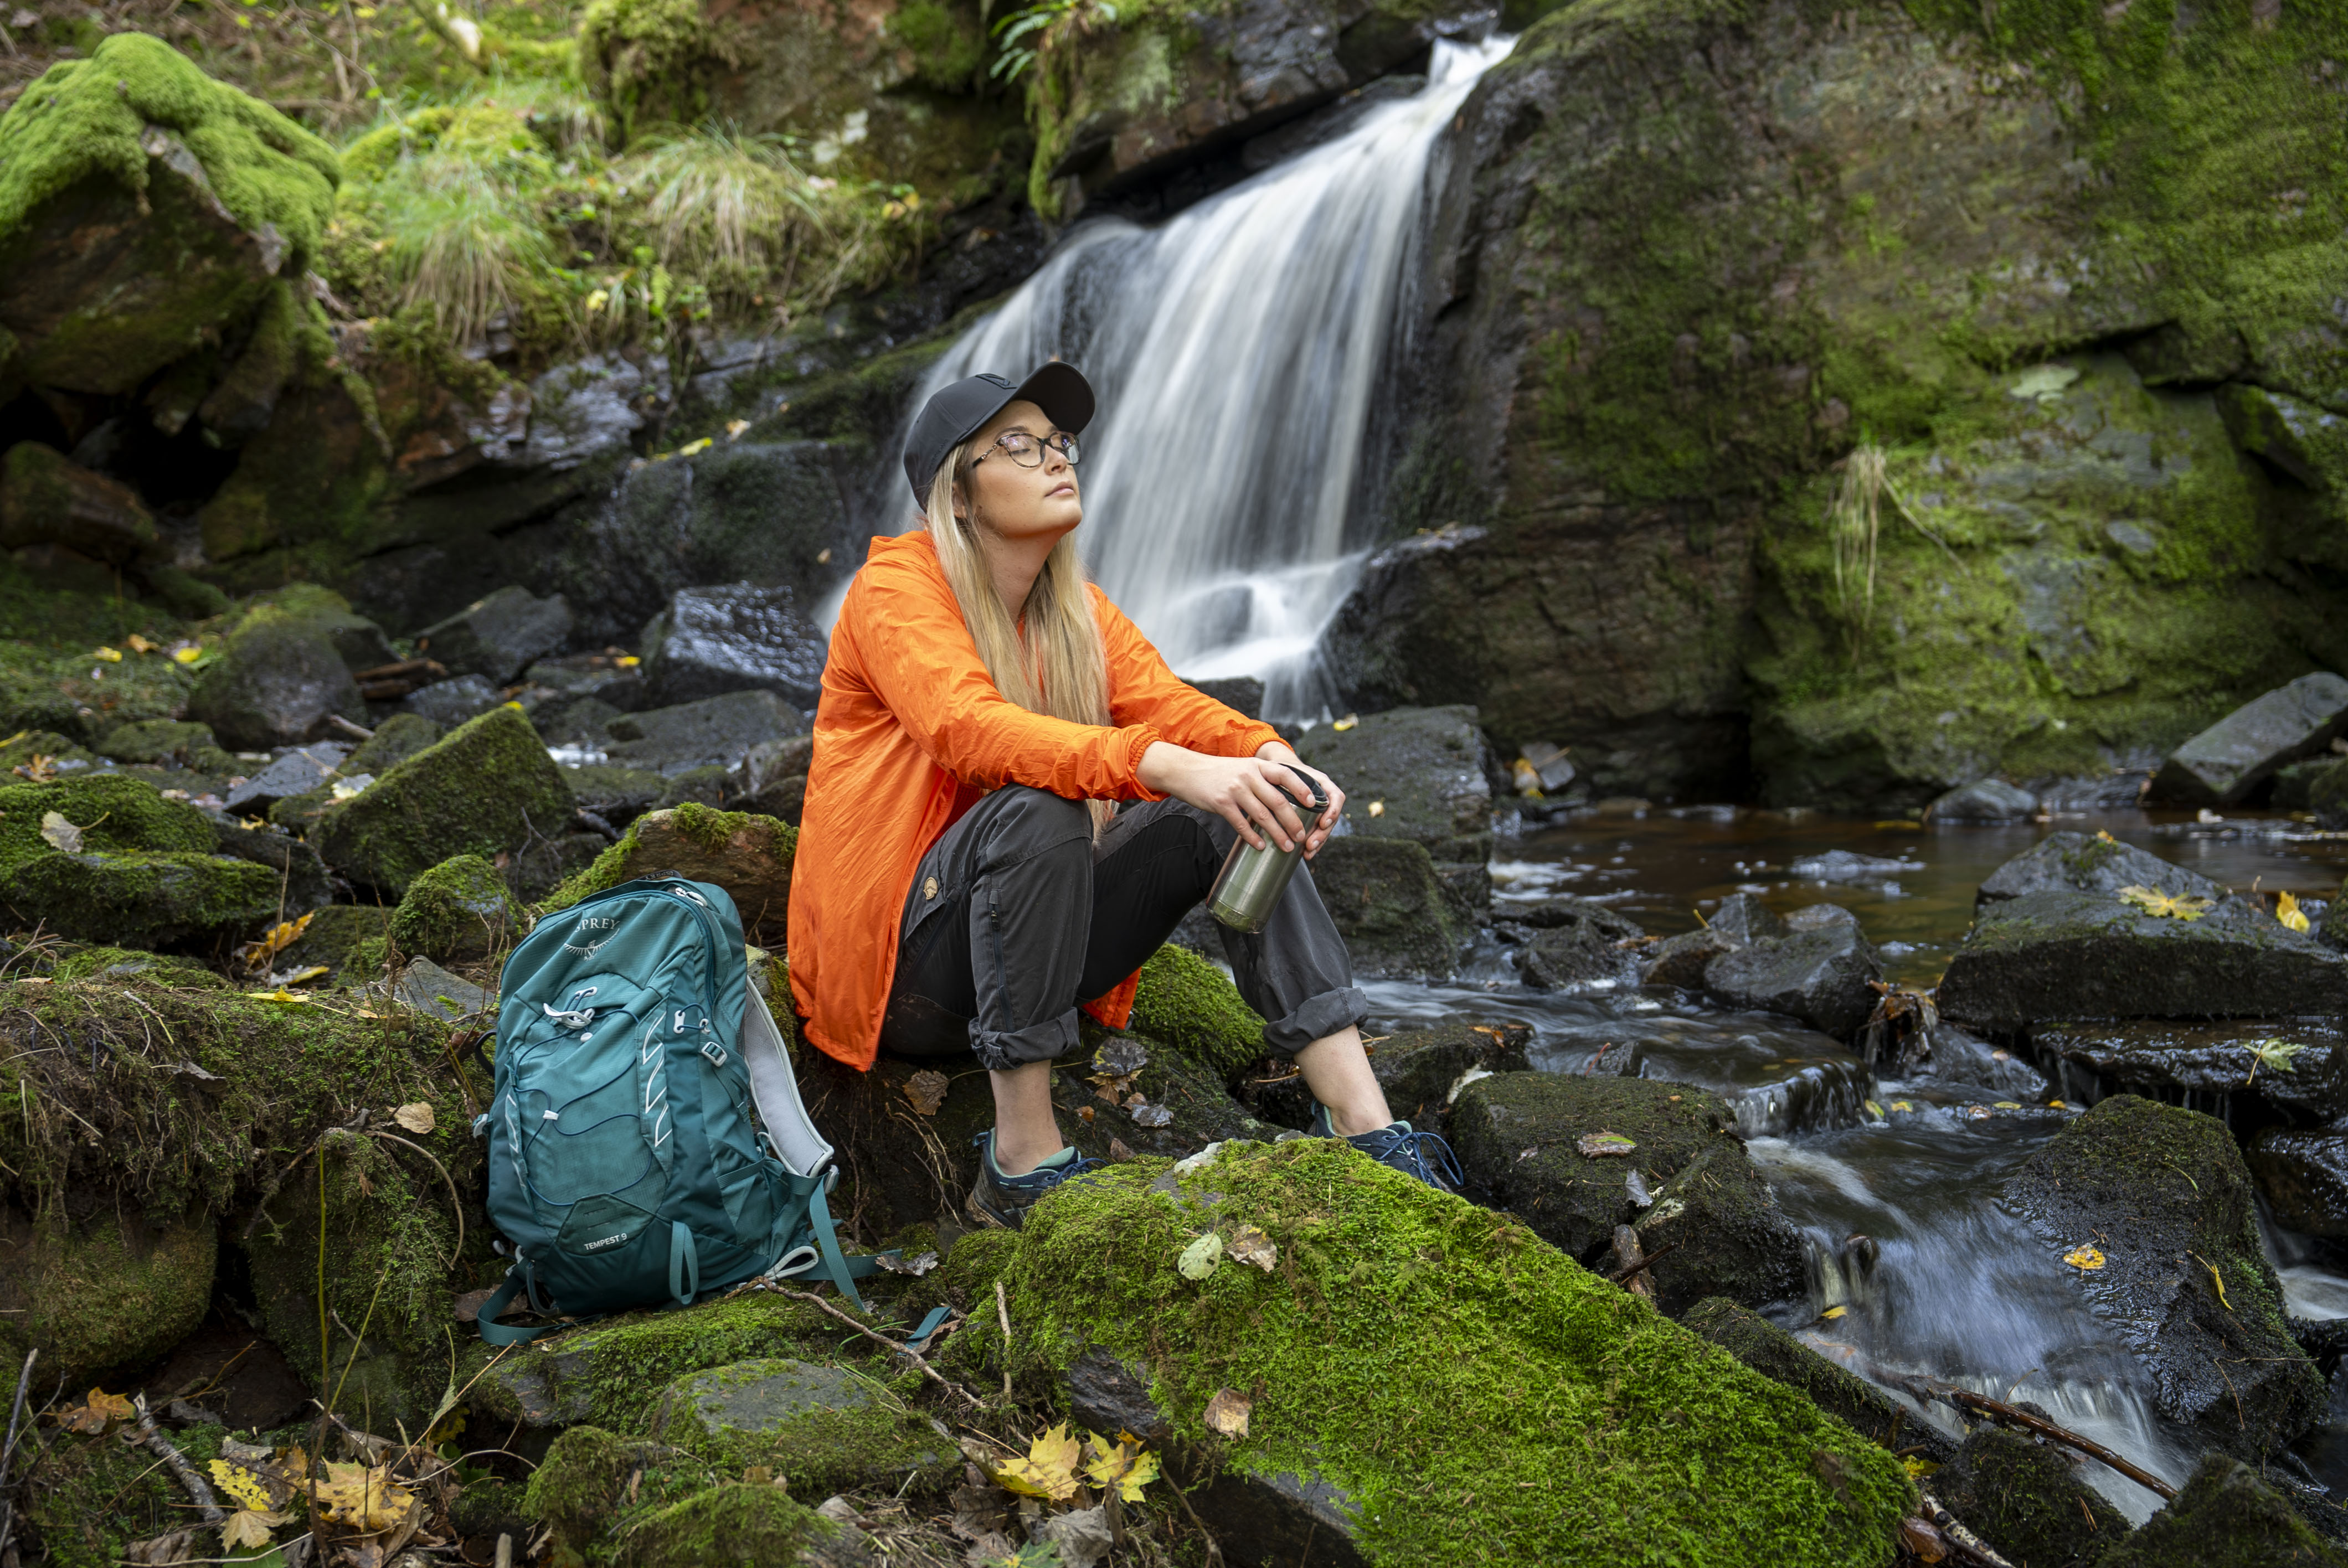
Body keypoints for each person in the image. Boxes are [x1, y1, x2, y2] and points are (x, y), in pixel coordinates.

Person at [786, 363, 1458, 1227]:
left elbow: (1170, 704)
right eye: (1018, 447)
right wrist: (1166, 764)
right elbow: (969, 730)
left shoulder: (1074, 610)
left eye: (1060, 443)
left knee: (1234, 802)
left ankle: (1365, 1128)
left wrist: (1267, 756)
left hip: (1034, 958)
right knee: (1040, 802)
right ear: (959, 493)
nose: (1057, 459)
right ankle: (1023, 1161)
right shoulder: (893, 590)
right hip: (907, 975)